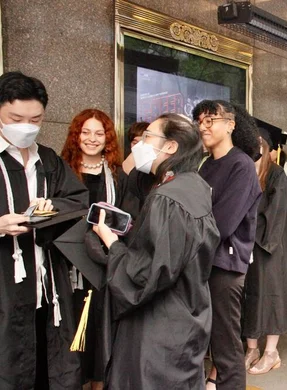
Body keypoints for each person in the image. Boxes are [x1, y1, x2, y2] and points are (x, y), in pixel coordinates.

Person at [92, 113, 220, 388]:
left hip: (159, 326)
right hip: (189, 313)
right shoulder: (194, 184)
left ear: (171, 146)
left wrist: (111, 242)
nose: (139, 143)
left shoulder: (167, 198)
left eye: (147, 137)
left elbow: (148, 275)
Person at [0, 71, 89, 389]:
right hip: (6, 293)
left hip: (47, 287)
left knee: (51, 368)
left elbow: (77, 199)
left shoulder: (48, 160)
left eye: (35, 119)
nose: (26, 126)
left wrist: (48, 210)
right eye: (16, 118)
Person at [60, 108, 134, 389]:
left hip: (104, 262)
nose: (92, 138)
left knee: (101, 331)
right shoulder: (60, 170)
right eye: (85, 132)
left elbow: (128, 216)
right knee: (70, 329)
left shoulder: (117, 175)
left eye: (99, 133)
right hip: (68, 264)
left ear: (108, 139)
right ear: (75, 135)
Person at [192, 100, 262, 389]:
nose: (203, 126)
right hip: (204, 261)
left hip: (225, 265)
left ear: (231, 124)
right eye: (199, 121)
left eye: (211, 120)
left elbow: (222, 223)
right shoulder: (206, 164)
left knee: (226, 344)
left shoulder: (241, 165)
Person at [244, 126, 287, 375]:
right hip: (244, 245)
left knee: (271, 296)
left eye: (258, 144)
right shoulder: (243, 171)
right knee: (249, 297)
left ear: (267, 148)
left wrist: (253, 237)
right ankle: (251, 348)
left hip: (268, 247)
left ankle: (271, 352)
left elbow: (276, 215)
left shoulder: (276, 175)